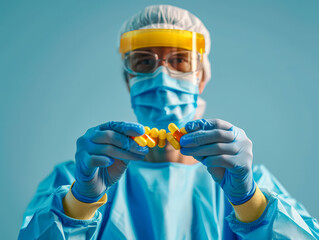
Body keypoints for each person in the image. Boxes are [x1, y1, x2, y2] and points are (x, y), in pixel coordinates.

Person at [18, 5, 319, 240]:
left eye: (180, 61)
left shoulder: (246, 181)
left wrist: (250, 203)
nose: (162, 81)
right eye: (145, 62)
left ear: (201, 77)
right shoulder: (76, 178)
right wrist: (79, 202)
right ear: (129, 81)